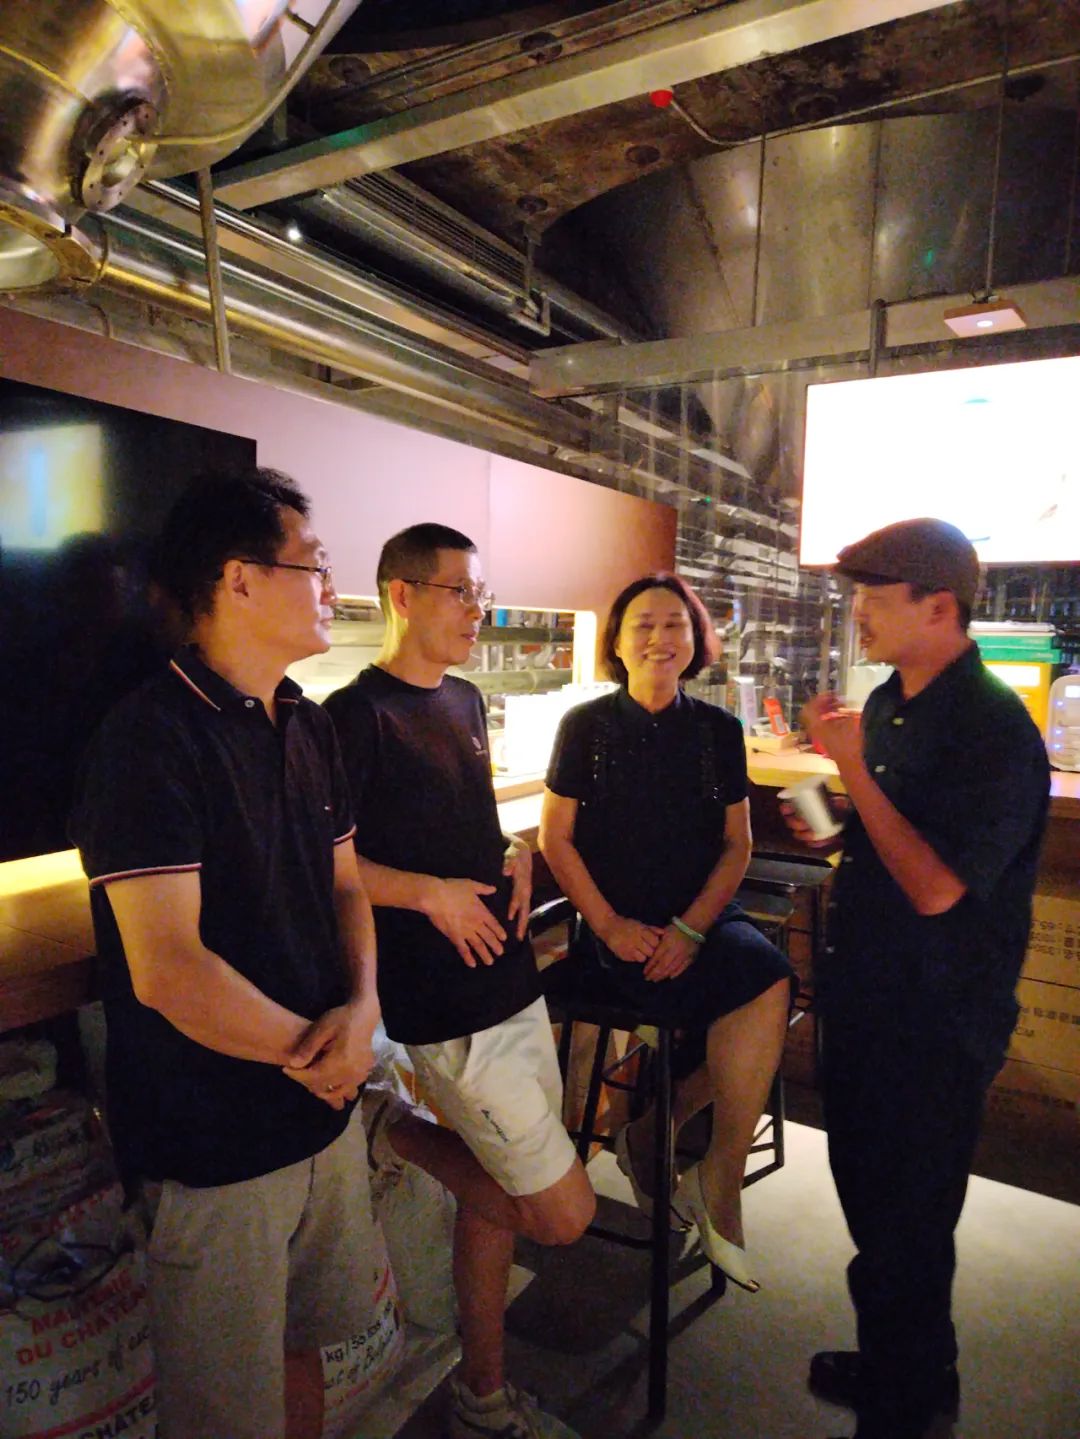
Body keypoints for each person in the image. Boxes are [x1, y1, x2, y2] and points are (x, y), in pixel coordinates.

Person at [69, 468, 380, 1439]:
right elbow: (169, 968)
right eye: (315, 565)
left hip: (322, 1112)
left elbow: (346, 886)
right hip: (215, 1141)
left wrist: (364, 1012)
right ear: (241, 579)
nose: (331, 587)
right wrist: (321, 1055)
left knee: (306, 1348)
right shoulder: (147, 739)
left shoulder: (309, 721)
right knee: (225, 1412)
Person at [323, 522, 594, 1439]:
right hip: (444, 1007)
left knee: (499, 1199)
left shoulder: (467, 699)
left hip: (510, 981)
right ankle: (389, 1127)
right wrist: (430, 893)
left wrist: (512, 850)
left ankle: (482, 1395)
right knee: (561, 1215)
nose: (479, 610)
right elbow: (327, 864)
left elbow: (462, 822)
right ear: (401, 595)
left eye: (483, 593)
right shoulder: (353, 716)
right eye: (461, 591)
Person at [785, 518, 1050, 1439]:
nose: (856, 611)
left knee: (909, 1214)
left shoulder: (994, 727)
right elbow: (892, 840)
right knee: (871, 1193)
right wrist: (837, 820)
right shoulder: (891, 702)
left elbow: (938, 888)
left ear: (939, 607)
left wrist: (849, 768)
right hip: (868, 994)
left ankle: (905, 1402)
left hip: (937, 1017)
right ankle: (910, 1363)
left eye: (873, 595)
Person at [539, 573, 795, 1291]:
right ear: (618, 642)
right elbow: (557, 840)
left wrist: (692, 927)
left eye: (675, 624)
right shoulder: (585, 727)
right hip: (615, 928)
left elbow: (737, 846)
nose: (660, 638)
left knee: (768, 980)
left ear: (696, 639)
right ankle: (659, 1138)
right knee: (739, 1007)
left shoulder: (718, 731)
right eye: (643, 625)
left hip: (700, 919)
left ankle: (716, 1177)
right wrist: (610, 924)